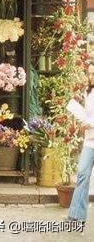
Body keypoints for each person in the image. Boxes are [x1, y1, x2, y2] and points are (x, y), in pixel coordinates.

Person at [67, 63, 94, 223]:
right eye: (89, 74)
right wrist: (82, 119)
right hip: (90, 141)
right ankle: (76, 214)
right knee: (83, 174)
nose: (91, 77)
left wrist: (90, 123)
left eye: (93, 74)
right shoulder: (88, 92)